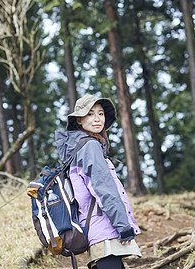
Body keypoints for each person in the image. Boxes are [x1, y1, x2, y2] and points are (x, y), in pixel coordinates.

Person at [55, 94, 142, 269]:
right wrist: (123, 225)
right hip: (105, 229)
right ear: (79, 120)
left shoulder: (79, 147)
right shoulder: (90, 147)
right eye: (90, 114)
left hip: (95, 229)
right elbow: (103, 189)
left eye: (100, 114)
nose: (97, 119)